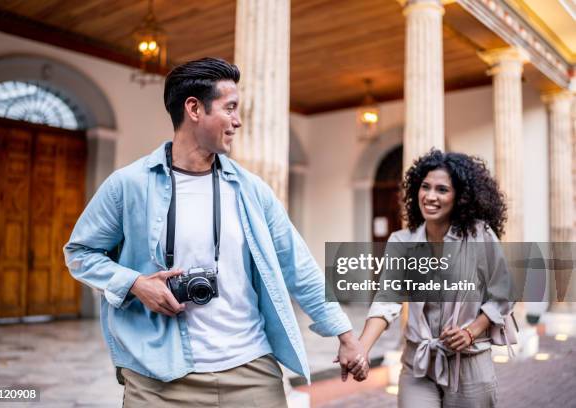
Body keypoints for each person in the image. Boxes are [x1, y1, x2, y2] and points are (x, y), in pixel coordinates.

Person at [64, 57, 365, 407]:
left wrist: (345, 334)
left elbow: (298, 265)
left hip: (251, 370)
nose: (238, 121)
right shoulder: (128, 185)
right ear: (194, 108)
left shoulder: (252, 190)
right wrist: (135, 283)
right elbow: (80, 253)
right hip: (158, 379)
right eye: (230, 108)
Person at [351, 149, 513, 407]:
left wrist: (471, 332)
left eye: (442, 189)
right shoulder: (401, 242)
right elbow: (386, 301)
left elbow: (503, 293)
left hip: (469, 364)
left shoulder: (479, 235)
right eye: (425, 187)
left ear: (460, 197)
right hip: (418, 363)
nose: (430, 196)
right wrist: (361, 349)